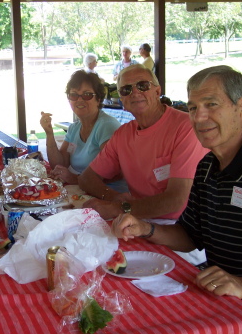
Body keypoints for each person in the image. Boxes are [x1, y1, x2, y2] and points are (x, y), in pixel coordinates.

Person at [112, 65, 242, 312]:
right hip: (219, 297)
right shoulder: (206, 166)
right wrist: (145, 228)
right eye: (193, 108)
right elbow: (190, 237)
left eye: (211, 104)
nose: (199, 117)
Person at [79, 64, 208, 264]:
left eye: (142, 85)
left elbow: (177, 200)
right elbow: (87, 178)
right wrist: (115, 198)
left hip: (181, 233)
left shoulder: (185, 128)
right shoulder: (123, 134)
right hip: (134, 222)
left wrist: (117, 208)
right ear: (121, 99)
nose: (135, 93)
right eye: (126, 89)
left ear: (158, 90)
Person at [40, 70, 123, 188]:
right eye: (74, 94)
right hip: (85, 191)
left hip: (109, 194)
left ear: (98, 99)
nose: (79, 99)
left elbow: (116, 172)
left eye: (87, 94)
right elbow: (59, 164)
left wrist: (75, 178)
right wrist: (49, 133)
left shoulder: (106, 126)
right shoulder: (74, 128)